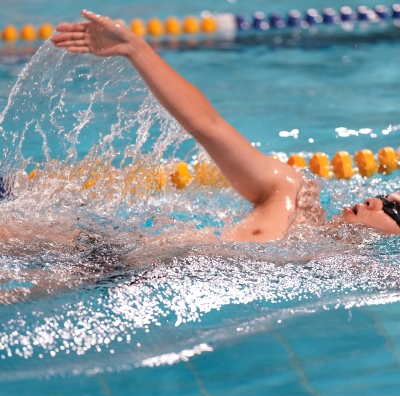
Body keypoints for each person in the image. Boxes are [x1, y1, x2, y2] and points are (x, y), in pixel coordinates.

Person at [51, 10, 400, 242]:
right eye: (384, 197)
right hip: (104, 255)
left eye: (393, 209)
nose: (374, 201)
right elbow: (209, 126)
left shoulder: (354, 271)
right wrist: (136, 49)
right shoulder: (292, 195)